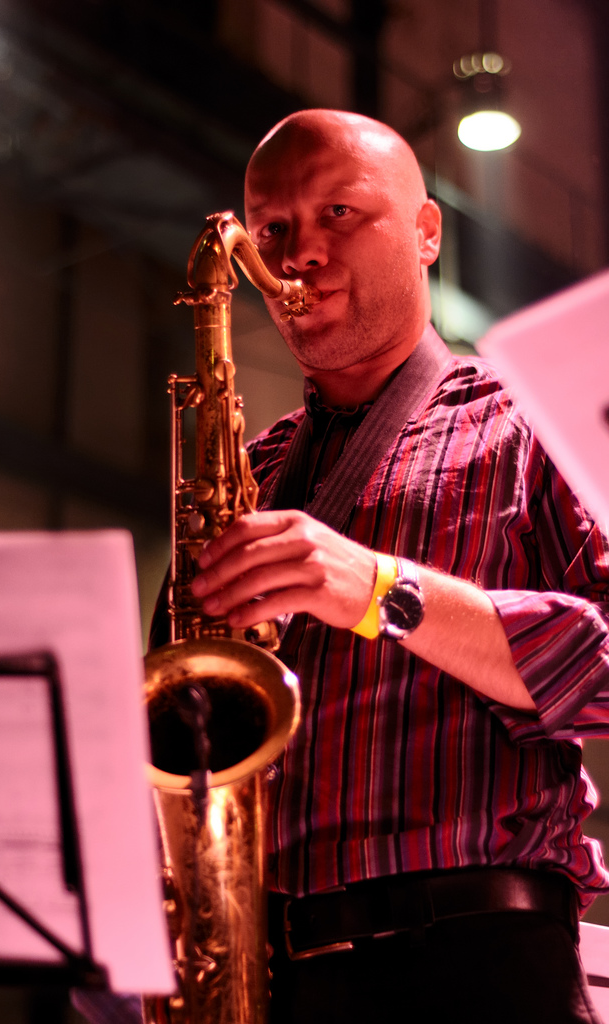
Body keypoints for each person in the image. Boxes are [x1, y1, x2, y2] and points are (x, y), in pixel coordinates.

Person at [181, 109, 609, 1023]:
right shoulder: (249, 469)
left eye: (340, 213)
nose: (299, 254)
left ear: (426, 233)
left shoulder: (526, 421)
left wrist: (383, 589)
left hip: (474, 965)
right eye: (275, 230)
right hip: (267, 976)